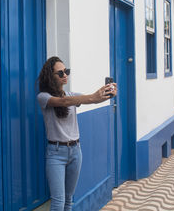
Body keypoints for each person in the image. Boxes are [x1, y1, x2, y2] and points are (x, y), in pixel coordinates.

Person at [37, 56, 117, 211]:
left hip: (75, 151)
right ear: (50, 76)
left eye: (66, 71)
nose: (65, 75)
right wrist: (92, 97)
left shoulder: (71, 95)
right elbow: (63, 102)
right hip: (56, 153)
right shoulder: (43, 97)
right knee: (58, 201)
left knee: (68, 200)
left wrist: (107, 93)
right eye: (60, 73)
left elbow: (91, 100)